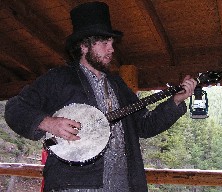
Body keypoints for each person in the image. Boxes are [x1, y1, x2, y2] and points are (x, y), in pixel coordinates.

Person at [4, 1, 197, 192]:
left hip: (123, 185)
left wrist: (175, 102)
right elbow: (15, 109)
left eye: (112, 43)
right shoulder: (59, 78)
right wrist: (48, 123)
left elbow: (145, 125)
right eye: (104, 43)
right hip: (74, 186)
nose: (111, 49)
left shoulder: (118, 85)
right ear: (84, 46)